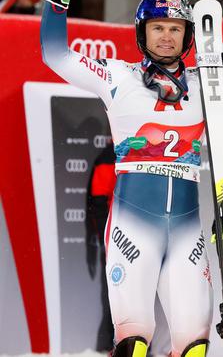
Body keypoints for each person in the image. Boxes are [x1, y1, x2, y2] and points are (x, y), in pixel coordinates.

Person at [41, 0, 223, 357]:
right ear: (142, 33)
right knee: (133, 343)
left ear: (189, 36)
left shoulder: (206, 81)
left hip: (187, 233)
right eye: (158, 27)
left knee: (194, 347)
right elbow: (55, 54)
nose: (166, 36)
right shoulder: (118, 76)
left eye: (175, 28)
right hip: (131, 230)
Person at [85, 143, 117, 352]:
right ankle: (108, 347)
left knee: (137, 300)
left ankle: (133, 346)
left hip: (142, 239)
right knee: (114, 299)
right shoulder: (108, 157)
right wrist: (109, 239)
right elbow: (97, 200)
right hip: (116, 243)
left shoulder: (147, 151)